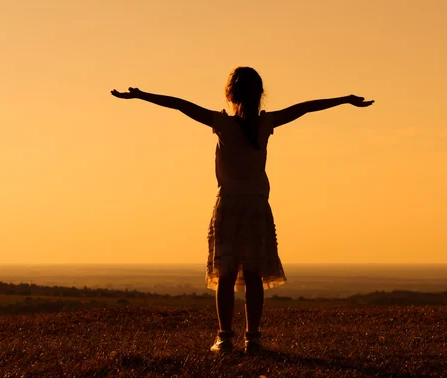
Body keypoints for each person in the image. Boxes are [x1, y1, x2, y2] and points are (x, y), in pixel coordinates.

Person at [111, 67, 374, 354]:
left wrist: (141, 95)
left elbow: (180, 105)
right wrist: (345, 99)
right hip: (257, 207)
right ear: (260, 94)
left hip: (230, 206)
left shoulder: (224, 124)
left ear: (229, 94)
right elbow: (306, 108)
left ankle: (224, 337)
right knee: (253, 275)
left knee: (226, 275)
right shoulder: (265, 124)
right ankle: (253, 338)